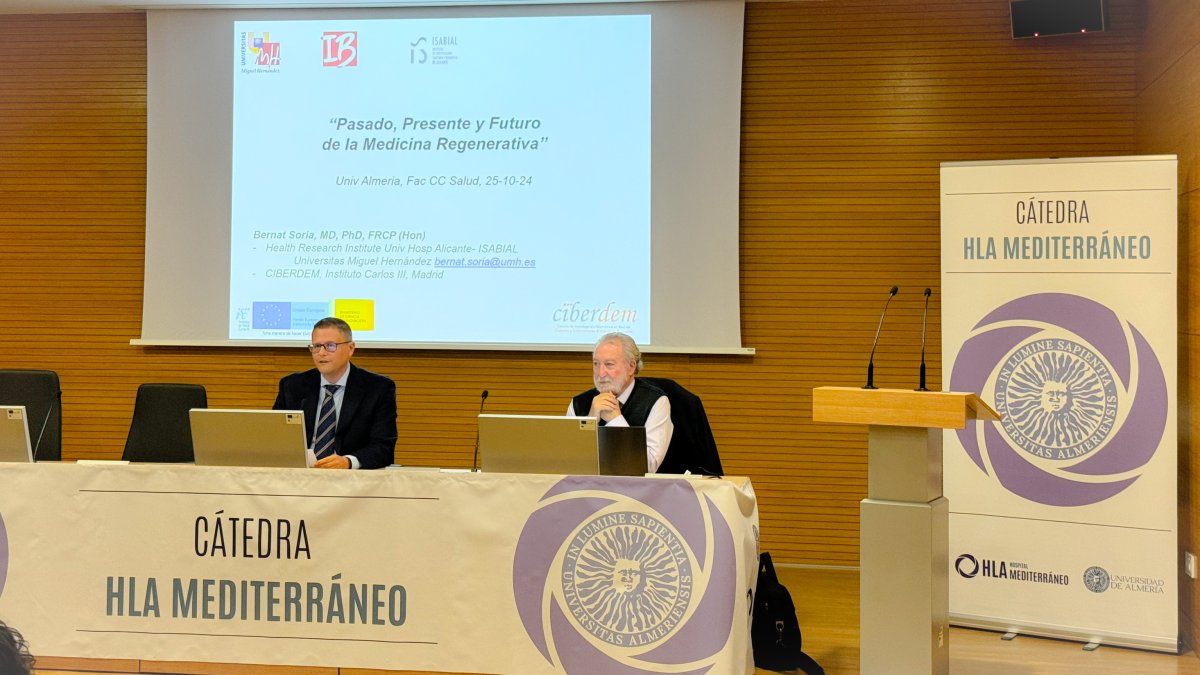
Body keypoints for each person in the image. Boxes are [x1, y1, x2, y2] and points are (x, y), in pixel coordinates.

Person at [274, 317, 397, 469]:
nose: (321, 353)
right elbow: (275, 438)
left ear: (350, 348)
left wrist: (348, 462)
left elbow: (383, 447)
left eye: (330, 346)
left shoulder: (377, 388)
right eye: (316, 346)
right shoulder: (292, 386)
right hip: (299, 476)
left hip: (350, 480)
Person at [568, 332, 673, 473]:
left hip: (637, 492)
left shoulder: (656, 402)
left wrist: (615, 420)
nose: (600, 373)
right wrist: (590, 422)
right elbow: (569, 464)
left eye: (609, 364)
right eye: (596, 364)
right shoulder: (578, 404)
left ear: (630, 367)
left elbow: (648, 467)